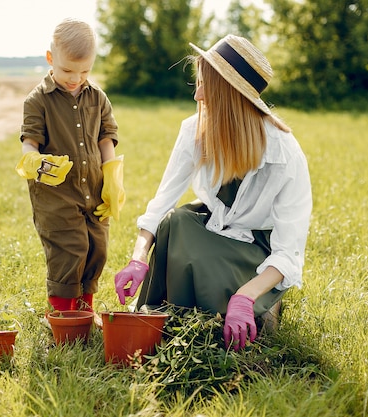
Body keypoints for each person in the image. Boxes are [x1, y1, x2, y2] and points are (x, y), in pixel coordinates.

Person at [114, 35, 312, 351]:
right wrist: (138, 259)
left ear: (228, 95)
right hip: (213, 227)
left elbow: (289, 253)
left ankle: (244, 314)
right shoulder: (194, 130)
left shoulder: (285, 155)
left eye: (205, 85)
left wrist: (245, 296)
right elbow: (161, 202)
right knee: (175, 222)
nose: (198, 95)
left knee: (203, 260)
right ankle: (171, 324)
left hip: (254, 250)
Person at [16, 18, 124, 314]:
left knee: (96, 249)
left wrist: (112, 178)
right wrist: (34, 161)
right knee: (70, 250)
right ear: (51, 59)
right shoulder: (37, 101)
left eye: (85, 71)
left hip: (94, 190)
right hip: (57, 196)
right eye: (67, 70)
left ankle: (84, 310)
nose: (76, 78)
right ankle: (64, 315)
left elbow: (106, 139)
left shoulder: (98, 98)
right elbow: (30, 142)